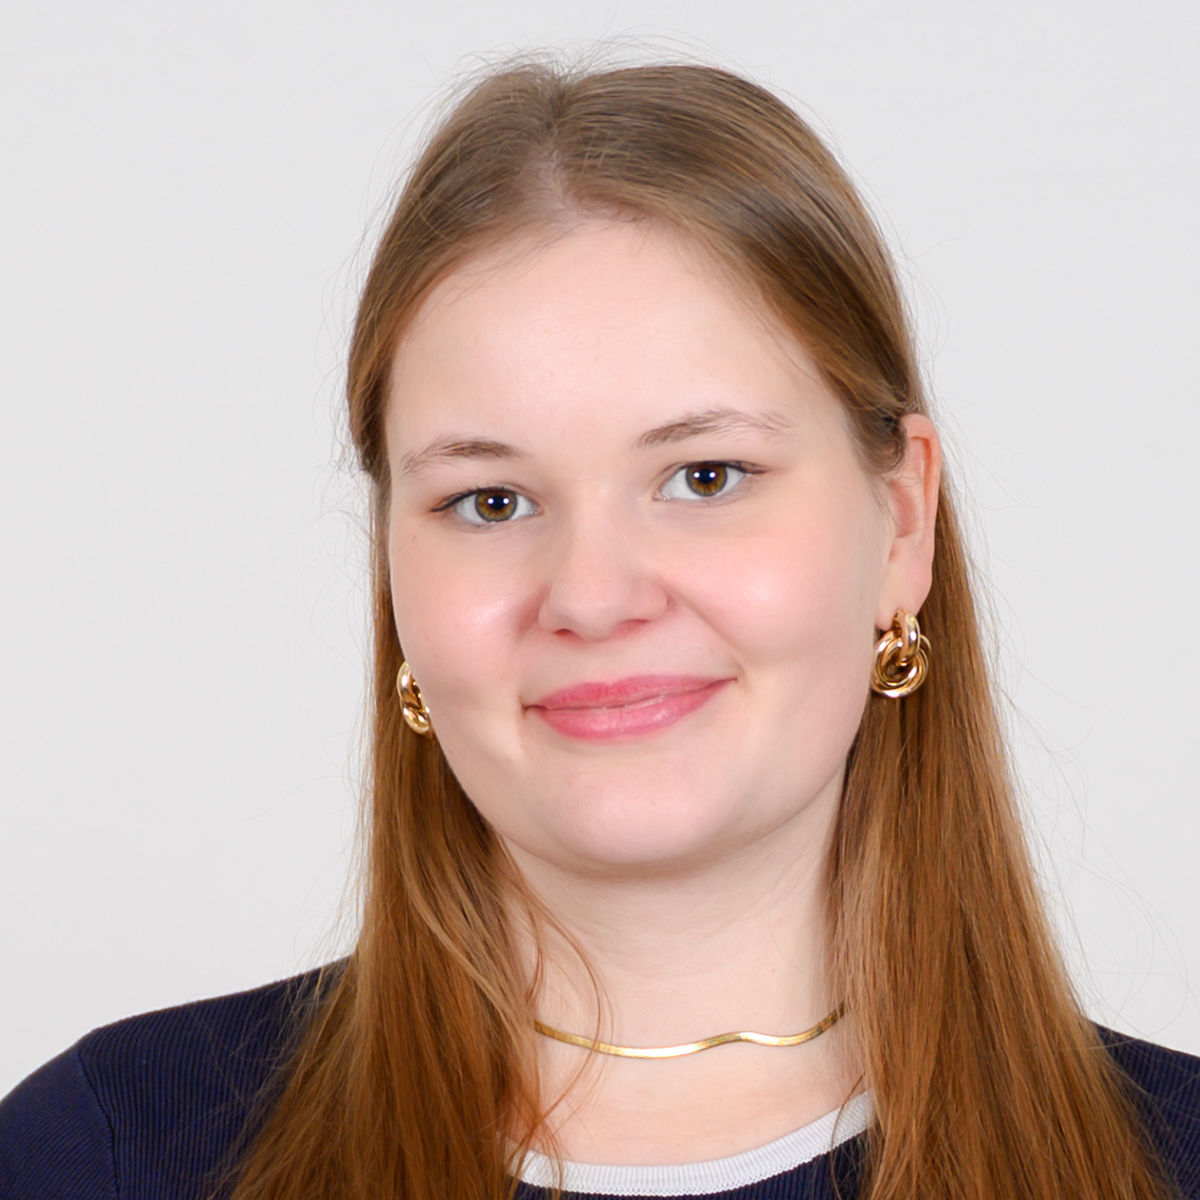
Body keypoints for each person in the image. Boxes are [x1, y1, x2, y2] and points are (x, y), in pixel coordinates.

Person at [1, 58, 1197, 1200]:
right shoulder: (102, 1156)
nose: (591, 595)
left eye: (706, 476)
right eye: (491, 500)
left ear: (901, 522)